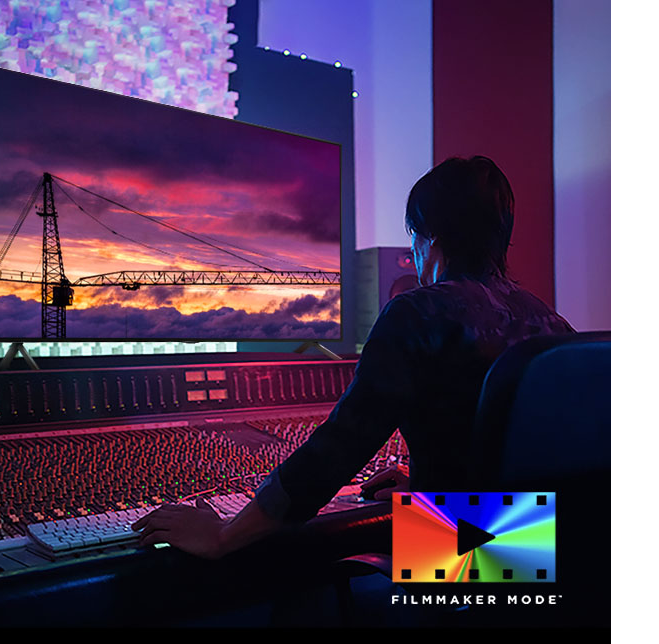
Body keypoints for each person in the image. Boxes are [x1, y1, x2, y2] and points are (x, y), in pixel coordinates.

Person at [131, 156, 574, 558]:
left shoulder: (416, 314)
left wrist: (225, 535)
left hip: (467, 567)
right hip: (547, 554)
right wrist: (432, 484)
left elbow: (339, 448)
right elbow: (525, 454)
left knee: (303, 586)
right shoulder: (550, 322)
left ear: (429, 238)